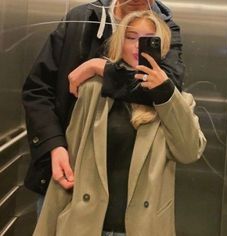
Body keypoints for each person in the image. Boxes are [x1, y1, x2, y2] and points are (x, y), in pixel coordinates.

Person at [33, 10, 206, 236]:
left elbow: (189, 152)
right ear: (119, 43)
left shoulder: (177, 101)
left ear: (162, 47)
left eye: (148, 41)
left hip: (144, 228)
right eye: (131, 37)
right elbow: (73, 158)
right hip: (85, 226)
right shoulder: (93, 90)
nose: (137, 46)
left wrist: (165, 93)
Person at [22, 0, 185, 195]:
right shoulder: (82, 20)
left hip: (130, 184)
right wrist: (53, 145)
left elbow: (166, 91)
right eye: (130, 37)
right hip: (69, 173)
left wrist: (100, 68)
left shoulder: (164, 28)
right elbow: (38, 89)